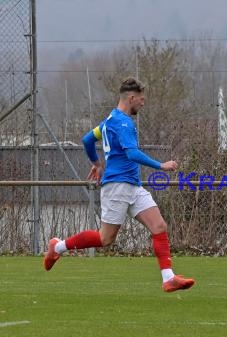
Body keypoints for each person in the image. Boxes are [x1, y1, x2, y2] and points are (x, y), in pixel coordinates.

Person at [43, 77, 195, 293]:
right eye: (141, 99)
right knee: (105, 239)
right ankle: (57, 246)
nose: (143, 103)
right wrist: (160, 165)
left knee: (159, 226)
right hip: (117, 186)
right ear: (131, 98)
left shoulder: (108, 122)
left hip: (132, 185)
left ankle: (168, 277)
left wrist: (96, 163)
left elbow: (87, 140)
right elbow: (132, 153)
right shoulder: (123, 123)